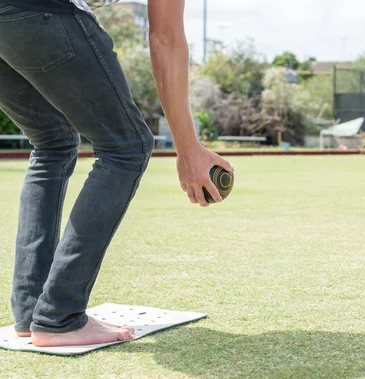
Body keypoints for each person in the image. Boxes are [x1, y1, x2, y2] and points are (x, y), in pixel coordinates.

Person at [0, 0, 232, 347]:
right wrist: (188, 150)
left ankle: (33, 312)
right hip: (38, 11)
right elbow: (166, 38)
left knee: (52, 142)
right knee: (127, 146)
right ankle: (58, 316)